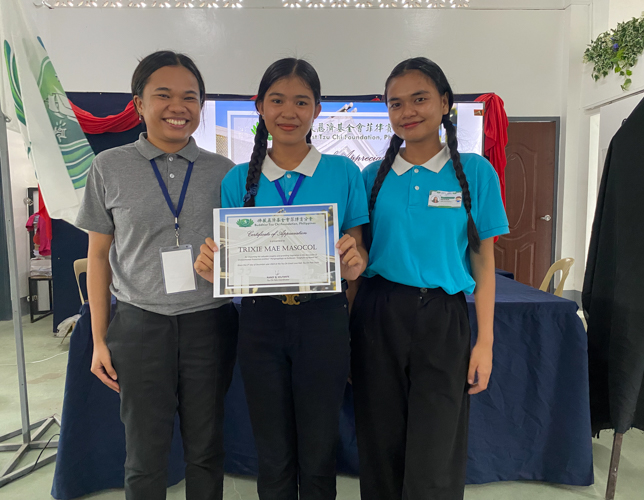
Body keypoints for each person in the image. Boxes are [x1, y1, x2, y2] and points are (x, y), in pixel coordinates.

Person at [194, 57, 368, 500]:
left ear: (318, 109)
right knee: (271, 450)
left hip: (324, 321)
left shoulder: (345, 173)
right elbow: (229, 261)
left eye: (301, 101)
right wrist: (214, 264)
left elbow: (358, 253)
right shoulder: (238, 181)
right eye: (277, 100)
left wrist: (354, 262)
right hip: (260, 323)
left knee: (318, 449)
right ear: (259, 106)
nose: (288, 112)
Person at [76, 50, 238, 500]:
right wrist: (99, 339)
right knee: (144, 456)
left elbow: (241, 253)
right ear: (138, 103)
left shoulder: (224, 172)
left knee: (207, 448)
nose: (178, 106)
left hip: (210, 322)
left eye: (190, 97)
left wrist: (224, 262)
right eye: (163, 94)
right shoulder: (108, 167)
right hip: (141, 324)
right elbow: (99, 256)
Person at [349, 57, 509, 500]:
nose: (407, 111)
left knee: (438, 443)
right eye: (395, 103)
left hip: (443, 317)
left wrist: (485, 343)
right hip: (378, 313)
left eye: (419, 99)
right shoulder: (370, 178)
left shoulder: (475, 172)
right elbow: (358, 263)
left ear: (444, 103)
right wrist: (347, 329)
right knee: (379, 439)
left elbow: (483, 261)